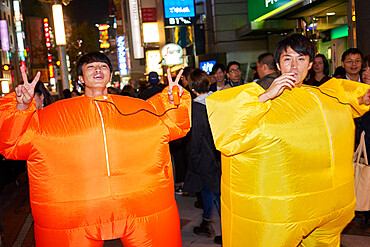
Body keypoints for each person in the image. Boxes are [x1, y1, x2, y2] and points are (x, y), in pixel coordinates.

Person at [0, 52, 191, 247]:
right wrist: (21, 108)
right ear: (81, 78)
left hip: (139, 203)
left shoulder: (137, 108)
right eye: (90, 67)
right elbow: (13, 143)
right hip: (76, 212)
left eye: (103, 66)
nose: (98, 69)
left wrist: (173, 100)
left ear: (110, 75)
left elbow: (174, 125)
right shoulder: (54, 115)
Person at [206, 34, 370, 246]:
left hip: (324, 207)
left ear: (310, 64)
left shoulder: (322, 96)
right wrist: (267, 95)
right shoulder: (260, 97)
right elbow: (228, 130)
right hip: (281, 212)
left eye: (301, 59)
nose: (294, 65)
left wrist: (361, 96)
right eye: (287, 59)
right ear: (277, 64)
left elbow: (342, 93)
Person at [182, 68, 222, 244]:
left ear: (192, 88)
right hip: (219, 154)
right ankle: (206, 222)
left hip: (204, 157)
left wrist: (193, 159)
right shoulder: (217, 101)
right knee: (208, 190)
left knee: (215, 194)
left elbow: (196, 138)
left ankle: (227, 231)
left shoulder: (196, 108)